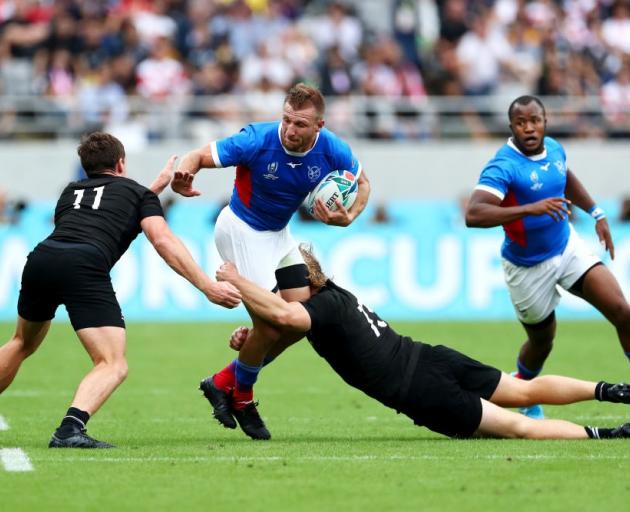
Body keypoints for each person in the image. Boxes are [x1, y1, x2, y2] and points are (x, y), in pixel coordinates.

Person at [214, 245, 630, 440]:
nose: (282, 294)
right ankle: (614, 391)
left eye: (284, 286)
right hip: (430, 356)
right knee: (521, 389)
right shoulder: (332, 295)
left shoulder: (316, 311)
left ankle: (609, 435)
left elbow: (287, 316)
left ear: (304, 282)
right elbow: (285, 324)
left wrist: (236, 280)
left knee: (519, 426)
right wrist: (253, 339)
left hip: (420, 390)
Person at [0, 132, 242, 449]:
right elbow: (163, 240)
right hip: (83, 264)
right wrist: (207, 285)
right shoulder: (138, 195)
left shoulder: (70, 192)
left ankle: (70, 429)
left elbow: (110, 213)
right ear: (121, 163)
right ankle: (69, 429)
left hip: (41, 259)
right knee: (113, 363)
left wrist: (151, 191)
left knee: (21, 343)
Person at [170, 83, 370, 439]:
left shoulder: (332, 149)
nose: (291, 130)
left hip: (279, 236)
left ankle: (224, 381)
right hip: (241, 232)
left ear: (319, 126)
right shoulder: (257, 139)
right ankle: (242, 396)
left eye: (301, 125)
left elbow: (363, 181)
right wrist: (183, 176)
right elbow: (198, 154)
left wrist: (350, 215)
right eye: (287, 120)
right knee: (275, 323)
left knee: (303, 321)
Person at [465, 95, 630, 420]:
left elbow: (563, 177)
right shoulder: (504, 165)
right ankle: (522, 392)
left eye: (534, 121)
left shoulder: (554, 148)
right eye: (521, 122)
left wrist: (596, 212)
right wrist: (530, 208)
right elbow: (473, 213)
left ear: (544, 121)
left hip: (567, 247)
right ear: (511, 126)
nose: (529, 128)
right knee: (542, 342)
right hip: (526, 267)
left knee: (622, 311)